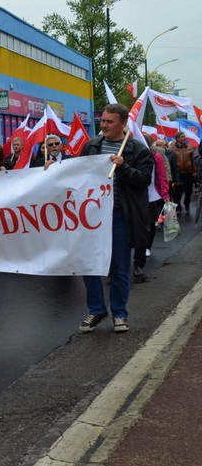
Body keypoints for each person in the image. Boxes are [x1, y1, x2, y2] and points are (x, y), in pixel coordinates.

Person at [78, 104, 153, 334]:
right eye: (102, 121)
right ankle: (96, 310)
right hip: (93, 215)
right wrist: (53, 167)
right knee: (90, 264)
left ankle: (119, 313)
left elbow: (143, 180)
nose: (104, 125)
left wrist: (123, 167)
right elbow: (76, 173)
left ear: (123, 123)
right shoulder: (91, 146)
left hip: (120, 215)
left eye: (109, 122)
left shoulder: (138, 150)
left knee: (119, 266)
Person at [133, 136, 170, 283]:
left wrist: (165, 194)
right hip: (133, 199)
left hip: (152, 197)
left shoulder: (156, 157)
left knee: (149, 227)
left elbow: (162, 176)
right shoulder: (128, 155)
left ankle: (144, 251)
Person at [169, 132, 196, 213]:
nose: (184, 138)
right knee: (177, 192)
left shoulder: (190, 147)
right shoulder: (172, 148)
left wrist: (194, 171)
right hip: (178, 174)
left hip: (188, 173)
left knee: (189, 191)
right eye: (182, 136)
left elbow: (193, 160)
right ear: (177, 138)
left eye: (184, 136)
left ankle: (187, 204)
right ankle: (178, 208)